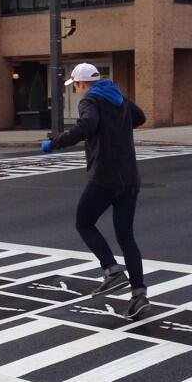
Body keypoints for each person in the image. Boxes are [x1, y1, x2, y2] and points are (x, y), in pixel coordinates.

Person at [41, 63, 149, 320]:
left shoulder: (90, 100)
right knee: (126, 237)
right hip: (129, 177)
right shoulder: (117, 95)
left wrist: (55, 143)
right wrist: (116, 127)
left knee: (84, 222)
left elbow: (87, 126)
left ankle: (111, 270)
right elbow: (140, 117)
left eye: (76, 85)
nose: (77, 90)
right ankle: (139, 294)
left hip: (105, 176)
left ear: (82, 83)